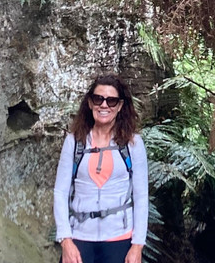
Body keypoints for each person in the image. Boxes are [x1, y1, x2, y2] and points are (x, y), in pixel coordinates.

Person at [53, 74, 148, 263]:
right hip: (80, 239)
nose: (104, 105)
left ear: (120, 106)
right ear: (90, 103)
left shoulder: (133, 144)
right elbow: (60, 192)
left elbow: (141, 196)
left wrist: (137, 245)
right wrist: (66, 240)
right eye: (98, 99)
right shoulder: (74, 142)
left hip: (120, 239)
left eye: (111, 101)